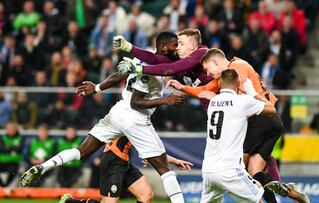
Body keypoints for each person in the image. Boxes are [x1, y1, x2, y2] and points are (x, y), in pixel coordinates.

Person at [115, 30, 282, 203]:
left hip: (230, 115)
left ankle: (272, 185)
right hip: (219, 115)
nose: (177, 48)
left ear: (193, 46)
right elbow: (157, 60)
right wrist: (129, 48)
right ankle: (274, 186)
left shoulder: (202, 54)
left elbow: (174, 70)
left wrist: (139, 69)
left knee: (239, 165)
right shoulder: (185, 59)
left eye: (181, 43)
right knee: (250, 165)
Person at [21, 31, 187, 203]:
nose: (178, 49)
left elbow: (119, 75)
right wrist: (165, 100)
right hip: (134, 118)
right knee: (165, 171)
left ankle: (43, 166)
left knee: (82, 151)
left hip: (118, 113)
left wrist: (98, 88)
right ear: (163, 47)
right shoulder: (148, 71)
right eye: (176, 45)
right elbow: (136, 103)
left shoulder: (144, 58)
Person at [167, 48, 310, 203]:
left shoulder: (236, 68)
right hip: (267, 120)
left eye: (208, 69)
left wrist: (252, 94)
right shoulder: (231, 73)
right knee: (255, 172)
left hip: (261, 118)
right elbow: (204, 91)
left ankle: (276, 187)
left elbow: (210, 93)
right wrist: (183, 88)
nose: (208, 74)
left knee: (240, 166)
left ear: (216, 62)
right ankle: (289, 192)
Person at [201, 69, 277, 202]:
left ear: (219, 84)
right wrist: (253, 93)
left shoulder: (213, 102)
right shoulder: (243, 101)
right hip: (231, 170)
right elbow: (272, 110)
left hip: (208, 170)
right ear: (238, 83)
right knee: (258, 198)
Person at [59, 136, 192, 203]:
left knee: (146, 195)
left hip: (124, 162)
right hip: (112, 162)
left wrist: (150, 155)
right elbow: (152, 151)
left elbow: (152, 150)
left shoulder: (139, 118)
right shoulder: (130, 118)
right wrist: (174, 161)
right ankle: (70, 201)